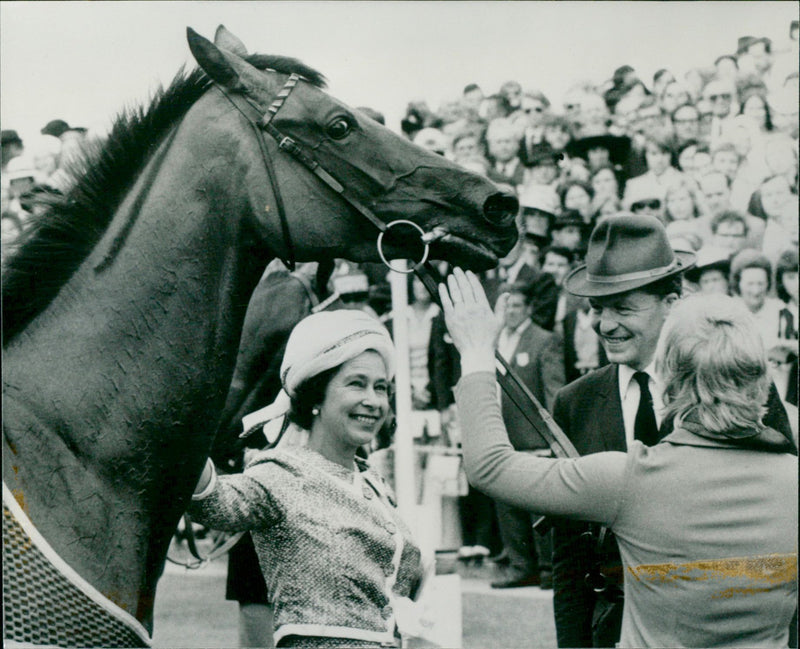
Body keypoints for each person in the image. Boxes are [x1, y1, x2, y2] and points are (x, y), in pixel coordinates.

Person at [438, 266, 797, 648]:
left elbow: (490, 467)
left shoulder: (632, 480)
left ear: (672, 382)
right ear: (762, 381)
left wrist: (476, 354)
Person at [190, 310, 426, 648]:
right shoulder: (280, 473)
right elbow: (213, 501)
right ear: (316, 395)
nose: (373, 401)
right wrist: (180, 423)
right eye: (356, 383)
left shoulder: (375, 485)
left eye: (381, 388)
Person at [490, 281, 565, 589]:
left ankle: (549, 568)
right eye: (505, 306)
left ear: (530, 308)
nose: (510, 312)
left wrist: (555, 434)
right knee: (507, 502)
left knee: (539, 506)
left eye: (516, 305)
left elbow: (554, 389)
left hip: (533, 436)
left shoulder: (545, 340)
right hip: (501, 432)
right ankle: (521, 565)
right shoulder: (493, 341)